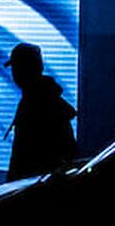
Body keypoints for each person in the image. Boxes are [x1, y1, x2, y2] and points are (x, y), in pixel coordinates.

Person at [5, 41, 78, 179]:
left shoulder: (37, 102)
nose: (14, 74)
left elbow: (24, 153)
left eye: (17, 68)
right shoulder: (44, 98)